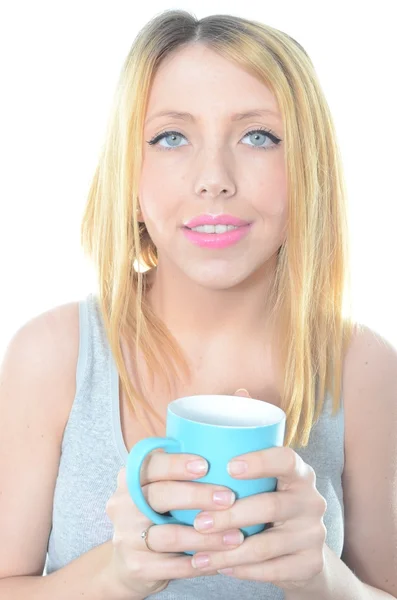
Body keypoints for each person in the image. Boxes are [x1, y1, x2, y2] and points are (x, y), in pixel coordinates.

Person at [0, 8, 396, 600]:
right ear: (130, 180)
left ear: (307, 174)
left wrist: (323, 579)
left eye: (258, 136)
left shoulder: (363, 369)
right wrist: (115, 575)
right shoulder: (53, 355)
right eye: (170, 137)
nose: (213, 178)